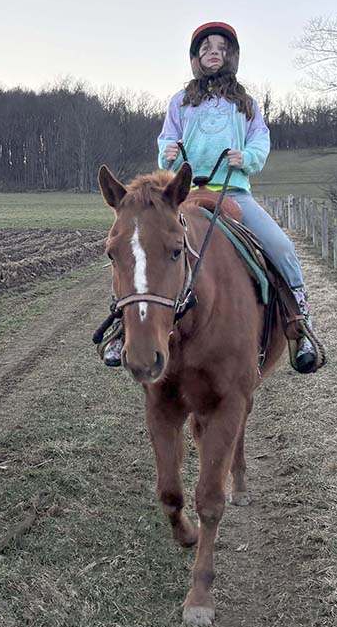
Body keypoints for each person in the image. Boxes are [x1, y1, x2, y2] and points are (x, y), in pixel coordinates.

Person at [102, 21, 318, 372]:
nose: (212, 52)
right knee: (140, 249)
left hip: (234, 192)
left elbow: (260, 139)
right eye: (205, 48)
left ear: (230, 55)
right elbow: (165, 140)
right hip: (184, 195)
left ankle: (300, 325)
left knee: (281, 248)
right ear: (195, 58)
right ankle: (121, 325)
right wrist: (166, 155)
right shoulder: (180, 102)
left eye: (219, 47)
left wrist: (246, 157)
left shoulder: (245, 103)